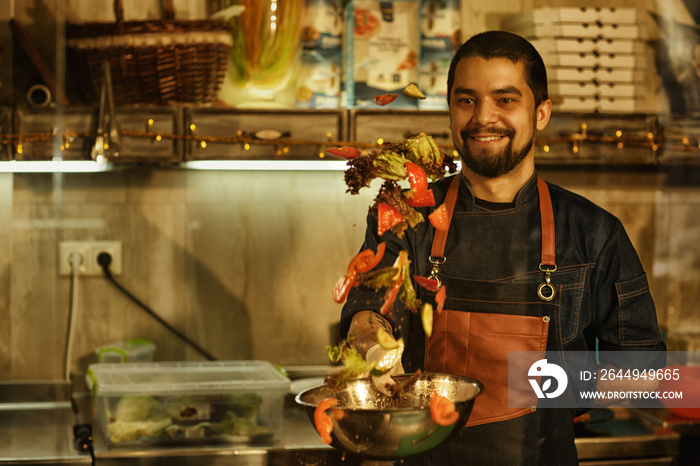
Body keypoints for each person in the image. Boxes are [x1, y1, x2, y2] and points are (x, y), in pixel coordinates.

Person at [339, 30, 666, 465]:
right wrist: (373, 349)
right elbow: (365, 311)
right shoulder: (407, 216)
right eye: (467, 100)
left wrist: (538, 384)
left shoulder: (593, 233)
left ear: (542, 113)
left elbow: (647, 371)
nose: (483, 118)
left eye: (506, 100)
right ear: (451, 109)